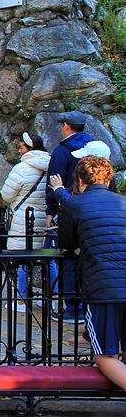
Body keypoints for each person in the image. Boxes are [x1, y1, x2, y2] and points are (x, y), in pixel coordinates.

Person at [56, 156, 126, 389]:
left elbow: (66, 242)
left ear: (79, 180)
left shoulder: (75, 205)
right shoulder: (123, 202)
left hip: (102, 286)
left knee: (105, 356)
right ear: (108, 179)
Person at [46, 111, 93, 323]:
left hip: (68, 210)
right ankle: (86, 305)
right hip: (91, 212)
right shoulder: (93, 149)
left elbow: (53, 182)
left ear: (66, 126)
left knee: (68, 259)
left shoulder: (61, 152)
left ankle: (72, 306)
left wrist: (51, 211)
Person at [0, 132, 53, 309]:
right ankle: (52, 297)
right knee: (47, 258)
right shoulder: (51, 165)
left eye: (21, 148)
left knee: (22, 258)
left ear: (30, 148)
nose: (19, 151)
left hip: (23, 217)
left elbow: (7, 195)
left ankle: (22, 298)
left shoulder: (22, 169)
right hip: (44, 218)